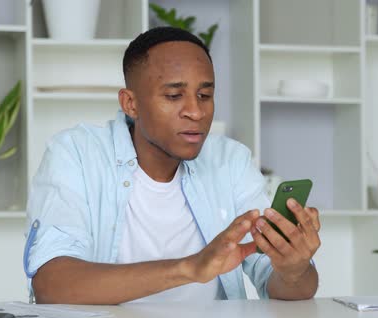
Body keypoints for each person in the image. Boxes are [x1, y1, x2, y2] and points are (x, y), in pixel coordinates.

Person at [23, 27, 321, 304]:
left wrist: (293, 270)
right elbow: (52, 284)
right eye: (174, 95)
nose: (195, 111)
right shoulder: (76, 153)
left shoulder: (229, 161)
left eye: (205, 95)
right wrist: (190, 268)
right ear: (131, 104)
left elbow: (290, 288)